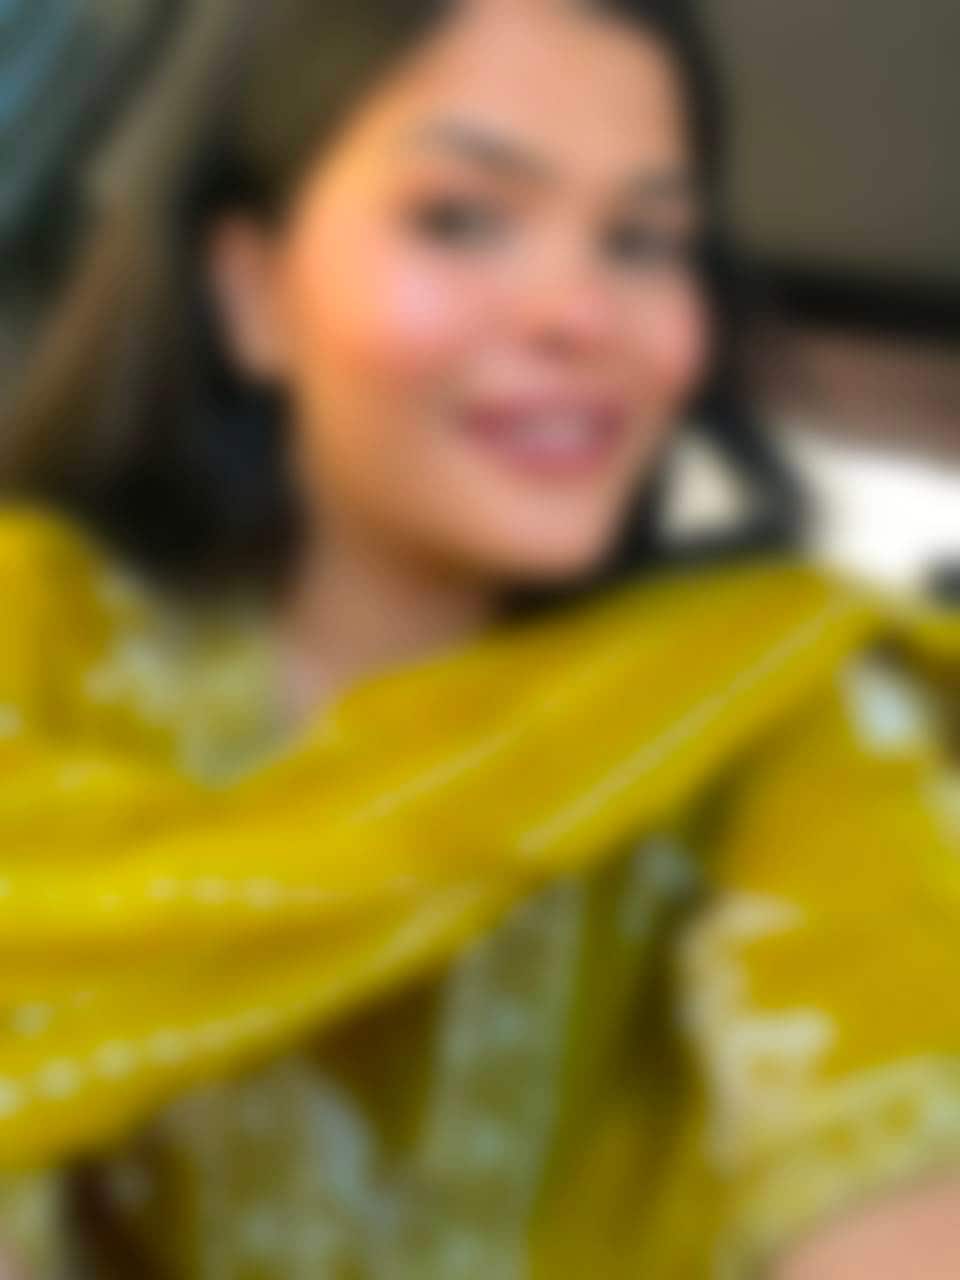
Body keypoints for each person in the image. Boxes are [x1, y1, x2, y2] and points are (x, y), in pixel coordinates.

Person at [0, 0, 957, 1275]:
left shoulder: (759, 697)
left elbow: (902, 1161)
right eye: (461, 218)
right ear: (251, 290)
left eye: (642, 241)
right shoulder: (34, 635)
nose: (580, 314)